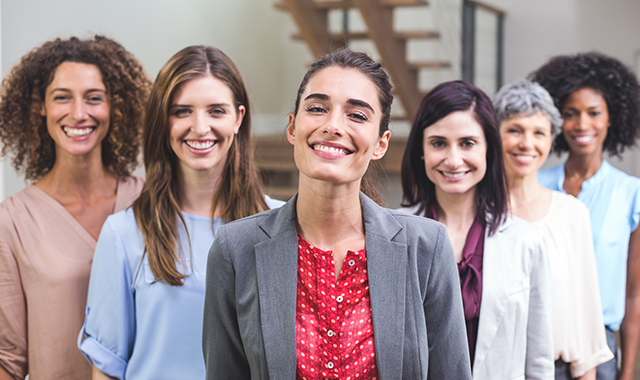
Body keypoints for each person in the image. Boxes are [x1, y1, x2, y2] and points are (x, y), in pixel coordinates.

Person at [202, 49, 472, 380]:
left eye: (357, 115)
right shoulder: (235, 249)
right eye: (317, 109)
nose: (332, 125)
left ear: (380, 143)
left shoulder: (426, 247)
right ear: (292, 126)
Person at [77, 46, 283, 380]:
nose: (200, 127)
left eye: (216, 111)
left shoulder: (281, 225)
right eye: (182, 111)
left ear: (238, 118)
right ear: (163, 120)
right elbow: (106, 371)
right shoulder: (123, 233)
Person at [0, 36, 149, 380]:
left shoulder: (150, 200)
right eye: (62, 98)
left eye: (94, 98)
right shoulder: (13, 221)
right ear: (41, 106)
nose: (79, 114)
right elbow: (8, 359)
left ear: (116, 106)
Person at [399, 80, 554, 379]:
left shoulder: (527, 240)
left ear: (488, 150)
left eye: (467, 143)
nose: (453, 160)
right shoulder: (393, 234)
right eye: (438, 143)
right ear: (421, 149)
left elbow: (539, 359)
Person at [494, 78, 613, 380]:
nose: (527, 143)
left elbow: (585, 318)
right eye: (514, 130)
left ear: (551, 140)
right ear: (494, 136)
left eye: (538, 133)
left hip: (557, 369)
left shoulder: (571, 214)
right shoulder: (478, 213)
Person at [531, 52, 640, 380]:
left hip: (601, 346)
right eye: (570, 114)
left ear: (611, 118)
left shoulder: (631, 193)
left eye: (593, 113)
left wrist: (627, 370)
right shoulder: (534, 183)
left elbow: (634, 292)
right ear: (556, 120)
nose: (581, 125)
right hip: (538, 340)